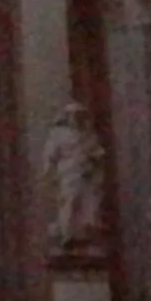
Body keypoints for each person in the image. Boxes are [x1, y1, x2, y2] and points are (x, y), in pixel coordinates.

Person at [43, 100, 108, 253]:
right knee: (70, 202)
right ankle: (67, 234)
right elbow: (50, 157)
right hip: (68, 174)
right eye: (74, 116)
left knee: (89, 203)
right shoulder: (58, 135)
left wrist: (95, 161)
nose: (77, 119)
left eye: (80, 116)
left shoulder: (88, 135)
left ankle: (85, 233)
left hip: (86, 174)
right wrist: (49, 175)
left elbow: (98, 153)